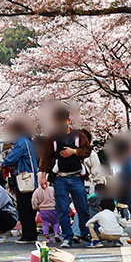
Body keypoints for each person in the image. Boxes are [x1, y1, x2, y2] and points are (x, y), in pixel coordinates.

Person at [38, 104, 93, 246]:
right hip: (59, 178)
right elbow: (46, 156)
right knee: (62, 209)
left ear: (69, 121)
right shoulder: (53, 138)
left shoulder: (79, 135)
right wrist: (43, 176)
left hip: (76, 177)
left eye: (62, 121)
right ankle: (67, 236)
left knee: (82, 207)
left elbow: (87, 151)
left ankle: (85, 233)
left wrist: (74, 152)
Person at [1, 116, 41, 244]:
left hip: (24, 179)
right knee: (30, 208)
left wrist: (3, 163)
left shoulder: (20, 142)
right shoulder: (28, 142)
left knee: (24, 208)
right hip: (32, 177)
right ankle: (31, 233)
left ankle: (28, 235)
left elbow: (12, 158)